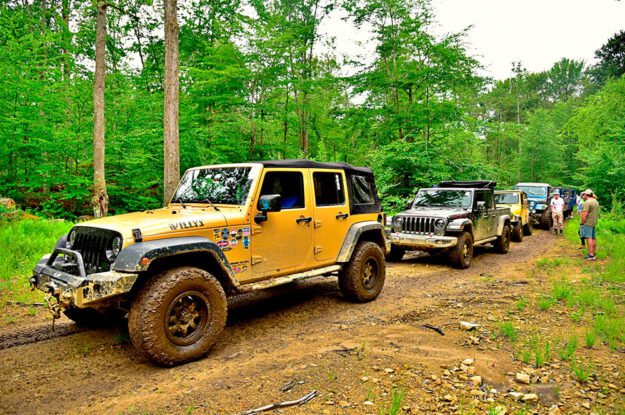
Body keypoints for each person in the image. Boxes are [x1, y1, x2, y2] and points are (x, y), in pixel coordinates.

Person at [580, 189, 600, 260]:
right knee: (593, 238)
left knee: (589, 238)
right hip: (594, 222)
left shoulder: (587, 202)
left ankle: (591, 255)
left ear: (586, 195)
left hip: (587, 223)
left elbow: (585, 214)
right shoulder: (596, 201)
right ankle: (593, 254)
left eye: (584, 194)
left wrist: (582, 223)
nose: (583, 196)